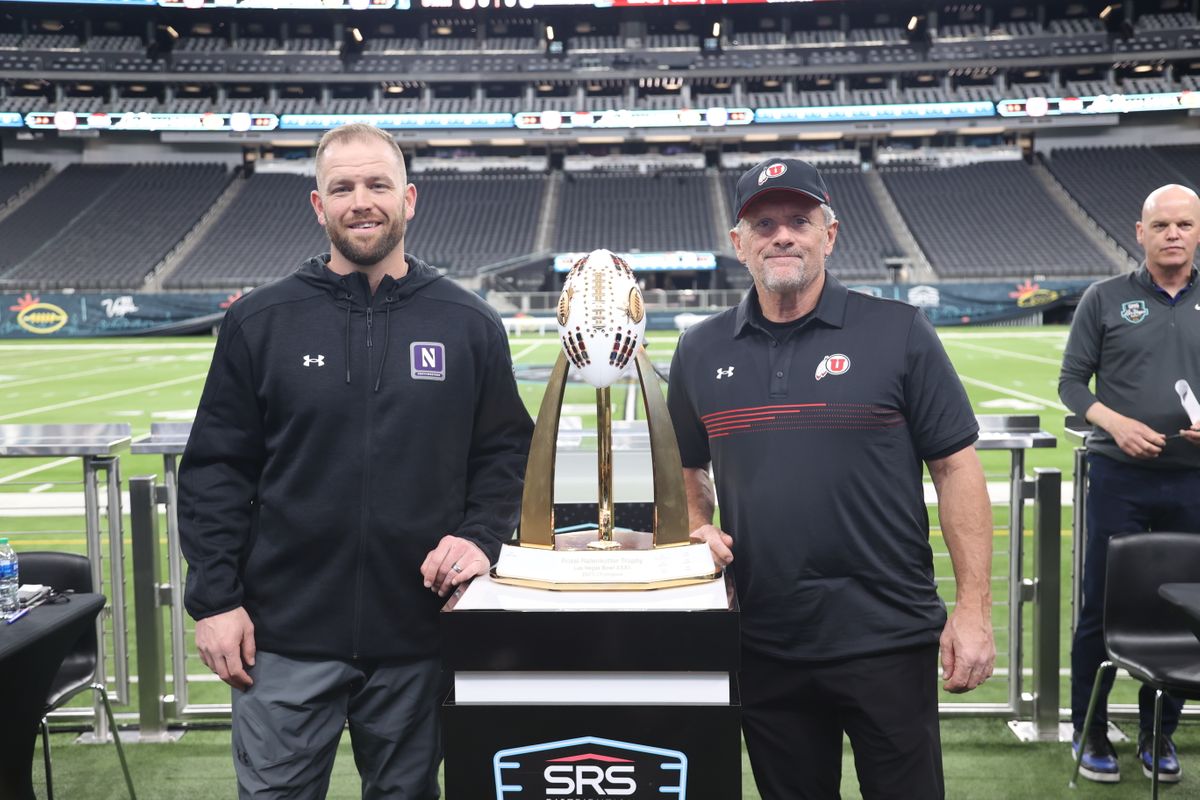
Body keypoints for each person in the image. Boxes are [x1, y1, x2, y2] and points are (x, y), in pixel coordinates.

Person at [178, 123, 533, 799]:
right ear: (319, 205)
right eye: (342, 187)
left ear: (409, 198)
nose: (361, 200)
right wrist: (215, 600)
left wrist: (481, 536)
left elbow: (503, 453)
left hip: (419, 634)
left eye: (377, 184)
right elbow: (216, 469)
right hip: (280, 638)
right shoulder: (261, 320)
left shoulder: (469, 323)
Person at [666, 158, 995, 800]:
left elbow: (956, 466)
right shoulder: (700, 349)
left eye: (799, 221)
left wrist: (975, 611)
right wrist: (697, 526)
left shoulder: (898, 331)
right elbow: (685, 467)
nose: (782, 236)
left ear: (830, 234)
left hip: (889, 636)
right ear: (739, 243)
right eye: (764, 224)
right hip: (764, 636)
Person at [1059, 183, 1200, 785]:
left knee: (1182, 609)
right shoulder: (1104, 298)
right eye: (1161, 224)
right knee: (1104, 605)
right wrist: (1113, 421)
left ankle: (1156, 733)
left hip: (1194, 481)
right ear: (1139, 233)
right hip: (1118, 476)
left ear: (1199, 232)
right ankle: (1088, 729)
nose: (1173, 234)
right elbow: (1070, 385)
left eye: (1185, 225)